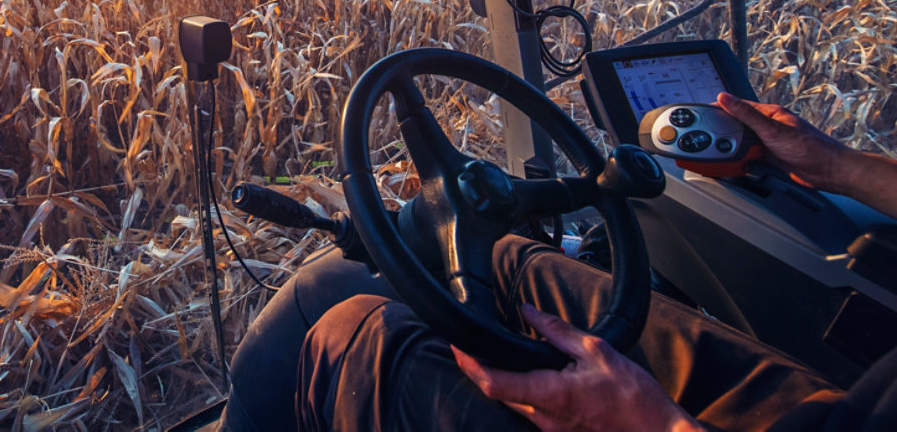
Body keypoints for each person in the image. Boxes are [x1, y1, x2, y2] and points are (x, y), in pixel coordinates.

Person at [294, 93, 897, 431]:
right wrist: (837, 165)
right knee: (505, 258)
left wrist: (650, 424)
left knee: (354, 334)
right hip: (842, 415)